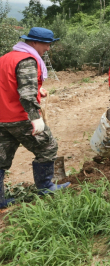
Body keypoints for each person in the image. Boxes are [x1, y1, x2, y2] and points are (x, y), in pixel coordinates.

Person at [0, 27, 70, 208]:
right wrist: (35, 118)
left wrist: (38, 89)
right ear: (34, 43)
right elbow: (26, 93)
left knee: (1, 158)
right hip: (20, 116)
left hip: (2, 117)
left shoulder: (6, 58)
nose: (48, 48)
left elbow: (10, 83)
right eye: (46, 44)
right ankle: (45, 187)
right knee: (48, 147)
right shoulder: (27, 60)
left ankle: (0, 200)